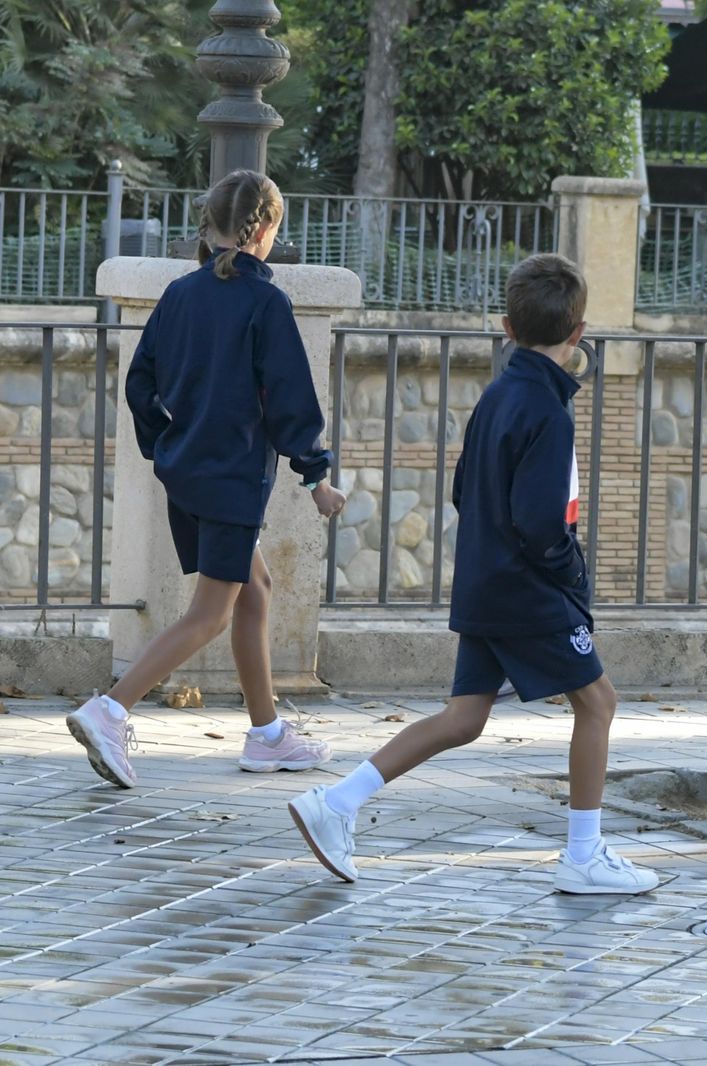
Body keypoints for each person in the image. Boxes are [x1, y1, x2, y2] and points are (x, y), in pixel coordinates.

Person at [288, 253, 658, 895]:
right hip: (528, 591)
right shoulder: (548, 411)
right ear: (578, 333)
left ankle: (335, 803)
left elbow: (464, 490)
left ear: (506, 328)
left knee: (464, 719)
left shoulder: (496, 397)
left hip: (487, 583)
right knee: (598, 702)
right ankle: (584, 855)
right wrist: (572, 575)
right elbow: (542, 523)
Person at [65, 169, 346, 788]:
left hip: (188, 472)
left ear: (211, 225)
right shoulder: (265, 302)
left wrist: (165, 445)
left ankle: (267, 735)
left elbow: (140, 383)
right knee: (211, 614)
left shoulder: (179, 294)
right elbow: (289, 399)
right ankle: (109, 710)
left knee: (256, 588)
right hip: (230, 478)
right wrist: (317, 477)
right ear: (265, 231)